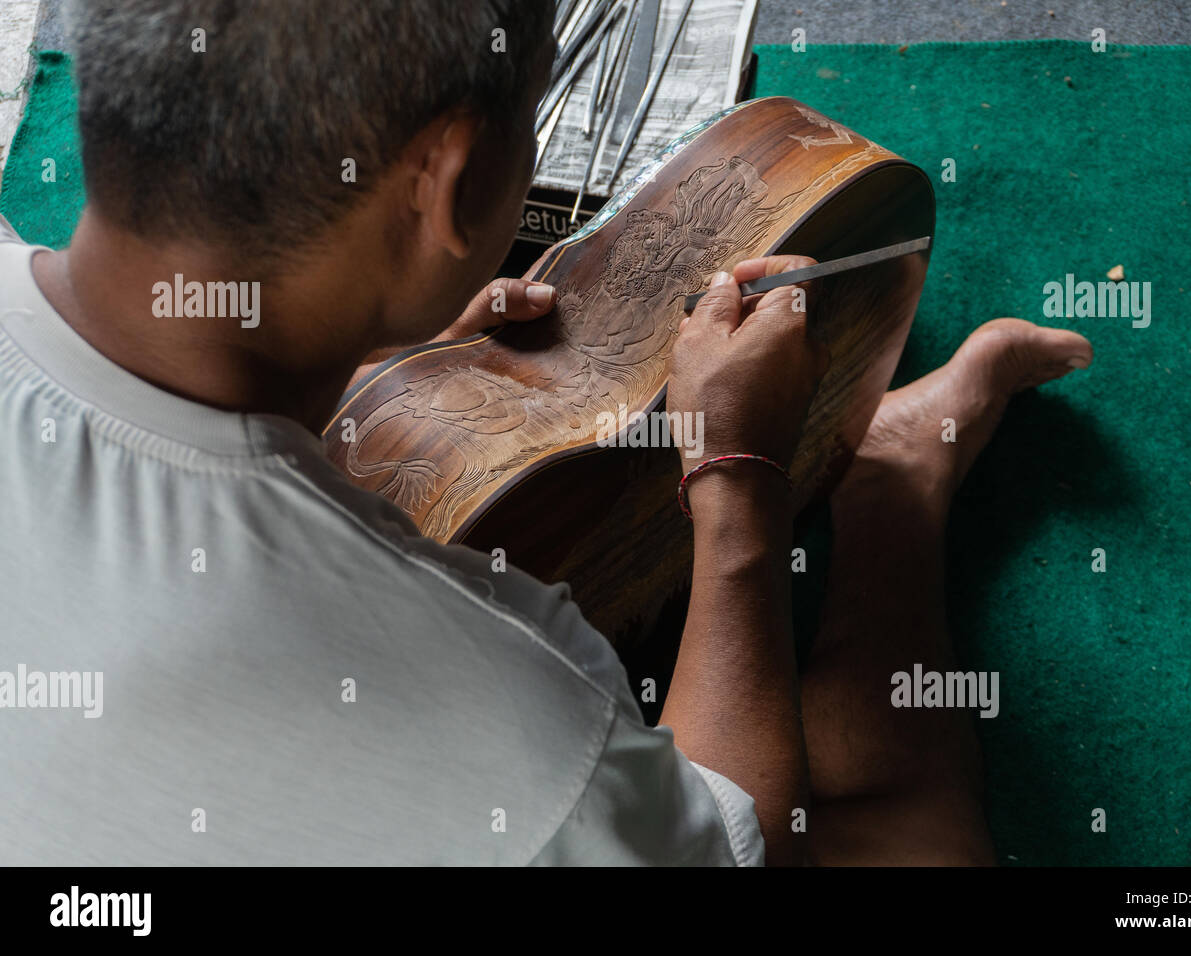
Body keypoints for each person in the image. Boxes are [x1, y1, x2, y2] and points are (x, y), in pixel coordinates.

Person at [0, 0, 1092, 865]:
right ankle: (892, 481)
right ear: (454, 181)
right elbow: (730, 837)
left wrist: (382, 354)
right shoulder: (524, 745)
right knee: (910, 836)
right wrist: (739, 480)